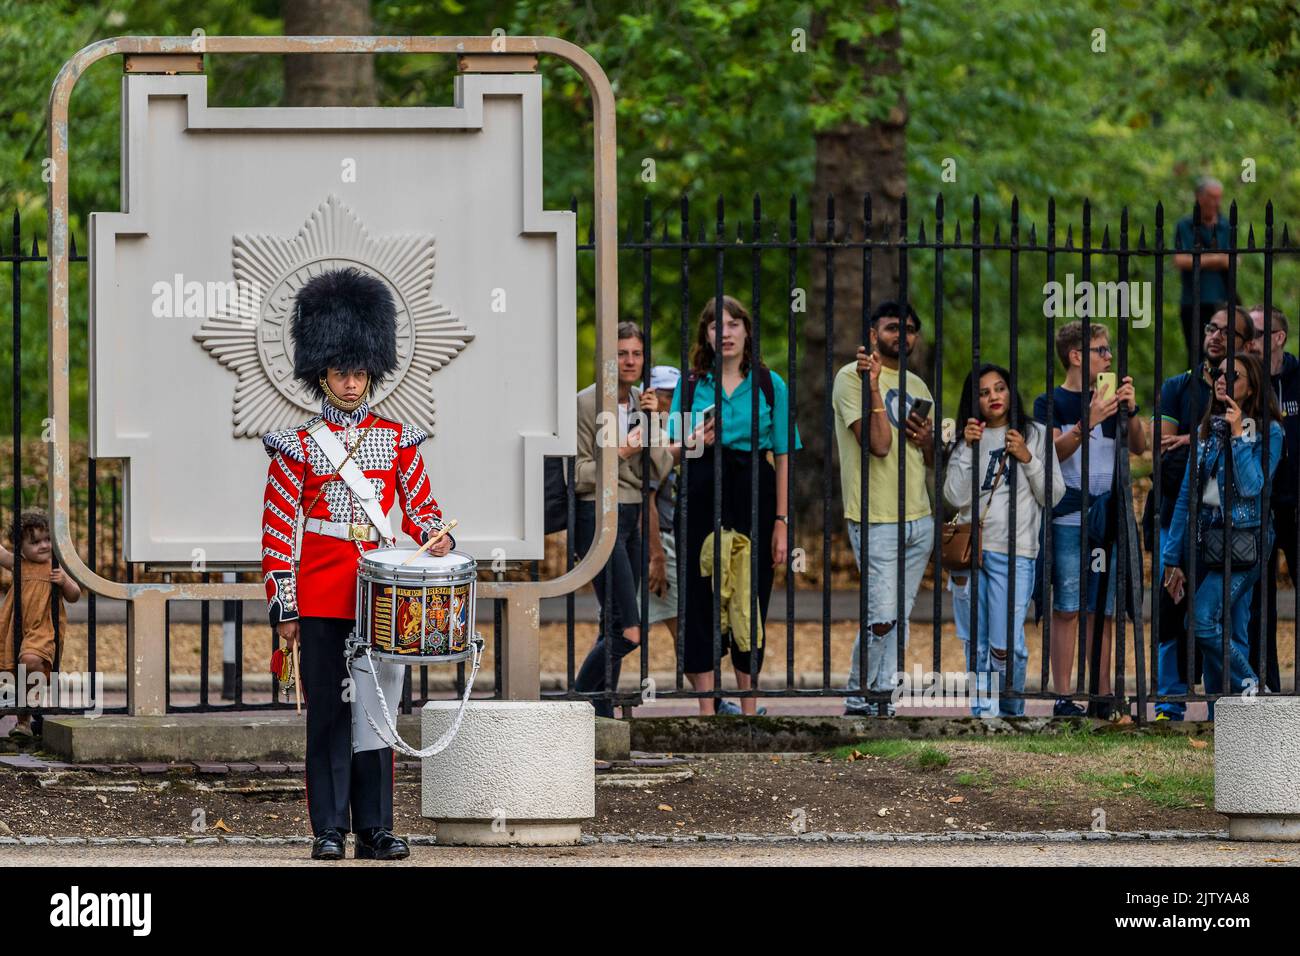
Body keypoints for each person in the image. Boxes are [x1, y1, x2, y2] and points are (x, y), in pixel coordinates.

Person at [260, 267, 455, 862]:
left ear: (372, 371)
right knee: (327, 716)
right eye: (341, 372)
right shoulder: (296, 445)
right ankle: (327, 828)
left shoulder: (397, 440)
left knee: (378, 716)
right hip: (320, 595)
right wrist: (285, 606)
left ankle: (374, 827)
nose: (351, 382)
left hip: (380, 598)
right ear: (322, 374)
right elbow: (277, 531)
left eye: (359, 372)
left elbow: (423, 511)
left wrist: (440, 537)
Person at [666, 295, 802, 715]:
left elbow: (782, 455)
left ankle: (748, 709)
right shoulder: (690, 386)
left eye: (732, 324)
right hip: (700, 489)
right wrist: (691, 443)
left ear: (746, 329)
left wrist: (781, 521)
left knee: (750, 594)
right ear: (705, 335)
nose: (723, 333)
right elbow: (668, 448)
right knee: (698, 593)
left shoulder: (769, 384)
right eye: (714, 326)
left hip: (752, 494)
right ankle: (707, 711)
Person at [1033, 322, 1146, 718]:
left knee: (1105, 606)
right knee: (1066, 606)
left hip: (1107, 515)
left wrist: (1128, 410)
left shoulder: (1114, 400)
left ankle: (1102, 695)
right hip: (1068, 515)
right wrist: (1090, 420)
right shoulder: (1050, 402)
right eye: (1100, 350)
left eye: (1108, 350)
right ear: (1076, 356)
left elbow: (1139, 444)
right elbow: (1049, 455)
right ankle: (1063, 696)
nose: (1109, 356)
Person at [1162, 353, 1284, 713]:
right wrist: (1172, 557)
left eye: (1234, 374)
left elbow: (1253, 486)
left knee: (1203, 621)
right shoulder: (1207, 427)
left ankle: (1255, 697)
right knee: (1227, 629)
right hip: (1208, 543)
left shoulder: (1269, 431)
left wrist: (1237, 436)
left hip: (1246, 544)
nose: (1221, 379)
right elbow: (1188, 493)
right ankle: (1224, 715)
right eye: (1219, 373)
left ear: (1252, 384)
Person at [831, 301, 935, 717]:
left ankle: (880, 699)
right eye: (893, 328)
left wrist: (927, 439)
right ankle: (860, 698)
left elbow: (930, 456)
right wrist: (873, 384)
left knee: (900, 618)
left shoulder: (919, 386)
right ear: (873, 334)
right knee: (882, 616)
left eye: (909, 329)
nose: (902, 336)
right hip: (875, 517)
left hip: (919, 519)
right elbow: (878, 444)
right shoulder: (849, 378)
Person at [1150, 306, 1254, 719]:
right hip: (1178, 511)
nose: (1215, 336)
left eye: (1229, 332)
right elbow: (1161, 443)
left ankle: (1223, 708)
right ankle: (1169, 703)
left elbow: (1253, 458)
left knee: (1227, 618)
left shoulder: (1252, 401)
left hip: (1230, 526)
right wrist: (1203, 437)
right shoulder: (1179, 386)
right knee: (1172, 607)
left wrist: (1192, 438)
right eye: (1212, 327)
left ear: (1247, 347)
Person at [944, 365, 1065, 718]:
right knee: (976, 642)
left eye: (999, 388)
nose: (994, 397)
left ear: (1010, 391)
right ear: (974, 400)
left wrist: (1027, 457)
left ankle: (1011, 707)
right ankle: (984, 712)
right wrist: (967, 448)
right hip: (971, 552)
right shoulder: (969, 438)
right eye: (984, 392)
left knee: (1007, 644)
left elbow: (1053, 494)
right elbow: (954, 496)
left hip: (1016, 552)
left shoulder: (1036, 434)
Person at [572, 323, 670, 718]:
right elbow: (577, 474)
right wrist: (621, 452)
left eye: (637, 354)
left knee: (611, 624)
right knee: (629, 632)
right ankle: (575, 705)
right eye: (622, 354)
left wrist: (652, 422)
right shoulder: (586, 402)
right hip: (597, 515)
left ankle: (599, 718)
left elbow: (661, 470)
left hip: (632, 516)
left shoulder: (646, 404)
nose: (630, 361)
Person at [1245, 305, 1300, 692]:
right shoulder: (1247, 382)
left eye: (1258, 332)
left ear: (1278, 338)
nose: (1250, 340)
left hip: (1296, 503)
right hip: (1257, 505)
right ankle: (1265, 688)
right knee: (1256, 601)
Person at [0, 509, 81, 739]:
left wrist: (64, 581)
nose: (44, 545)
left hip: (43, 628)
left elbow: (75, 595)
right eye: (35, 542)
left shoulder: (55, 566)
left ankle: (30, 707)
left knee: (31, 660)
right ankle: (23, 721)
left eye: (47, 539)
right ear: (20, 547)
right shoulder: (18, 564)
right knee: (16, 670)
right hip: (15, 627)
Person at [1173, 176, 1232, 360]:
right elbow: (1181, 260)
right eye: (1211, 197)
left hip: (1222, 299)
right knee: (1196, 354)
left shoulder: (1226, 225)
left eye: (1219, 197)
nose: (1216, 202)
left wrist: (1199, 259)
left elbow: (1233, 261)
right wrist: (1217, 259)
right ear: (1199, 197)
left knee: (1223, 354)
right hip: (1193, 301)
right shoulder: (1185, 225)